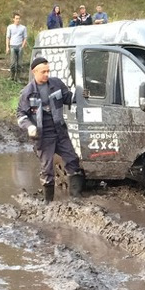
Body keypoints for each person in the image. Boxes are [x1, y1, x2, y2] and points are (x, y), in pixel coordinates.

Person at [16, 56, 84, 202]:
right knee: (47, 169)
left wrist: (83, 94)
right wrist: (30, 126)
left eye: (48, 71)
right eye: (43, 72)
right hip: (42, 135)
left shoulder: (56, 84)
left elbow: (68, 98)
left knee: (72, 160)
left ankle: (76, 198)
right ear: (34, 72)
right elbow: (21, 115)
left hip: (59, 131)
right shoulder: (27, 92)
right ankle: (49, 204)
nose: (47, 74)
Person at [5, 12, 27, 82]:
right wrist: (7, 47)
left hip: (19, 46)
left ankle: (18, 77)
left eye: (19, 19)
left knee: (19, 64)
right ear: (13, 19)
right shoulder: (10, 27)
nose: (18, 20)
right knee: (12, 63)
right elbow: (8, 37)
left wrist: (22, 46)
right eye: (16, 19)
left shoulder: (23, 28)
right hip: (12, 46)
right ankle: (11, 76)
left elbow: (25, 38)